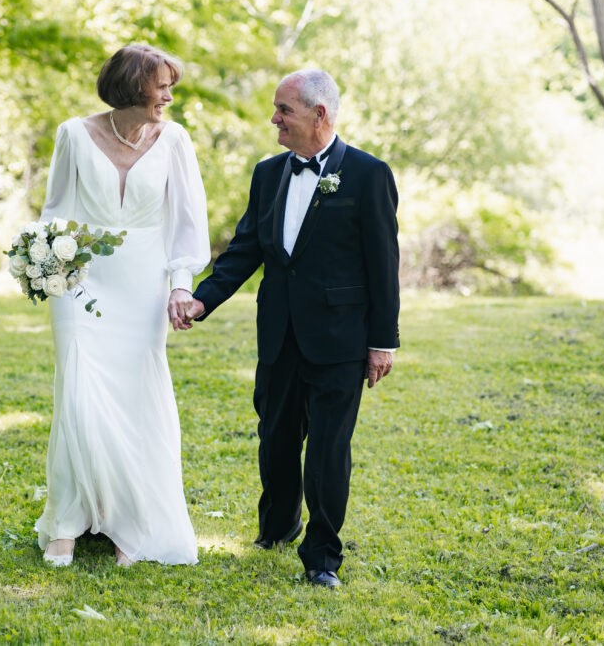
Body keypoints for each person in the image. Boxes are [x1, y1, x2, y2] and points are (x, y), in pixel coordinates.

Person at [182, 69, 400, 588]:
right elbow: (245, 251)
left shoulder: (369, 175)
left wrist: (382, 341)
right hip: (279, 334)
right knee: (275, 439)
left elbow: (383, 263)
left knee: (327, 449)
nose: (274, 119)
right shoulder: (267, 173)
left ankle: (322, 556)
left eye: (284, 110)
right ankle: (277, 528)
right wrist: (201, 298)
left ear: (319, 115)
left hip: (340, 340)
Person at [34, 44, 210, 567]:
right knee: (78, 396)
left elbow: (186, 223)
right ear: (134, 87)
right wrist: (47, 266)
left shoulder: (175, 140)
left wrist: (182, 282)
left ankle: (128, 520)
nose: (169, 96)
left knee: (136, 399)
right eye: (162, 86)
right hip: (81, 281)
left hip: (143, 286)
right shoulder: (72, 134)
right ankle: (66, 520)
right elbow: (55, 211)